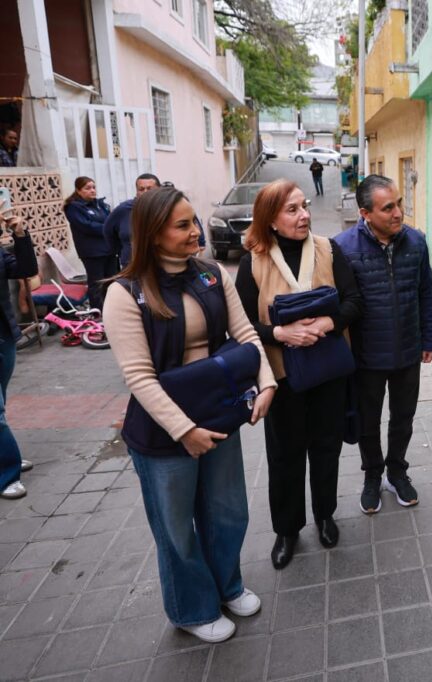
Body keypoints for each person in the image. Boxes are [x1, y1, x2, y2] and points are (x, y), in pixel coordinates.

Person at [104, 186, 277, 642]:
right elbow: (139, 377)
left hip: (218, 417)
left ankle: (227, 586)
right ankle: (193, 610)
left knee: (228, 513)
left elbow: (245, 335)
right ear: (152, 233)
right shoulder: (125, 293)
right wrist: (185, 431)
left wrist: (267, 382)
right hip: (163, 435)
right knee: (177, 529)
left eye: (194, 221)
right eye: (182, 226)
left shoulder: (212, 273)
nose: (195, 231)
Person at [235, 179, 362, 569]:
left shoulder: (328, 249)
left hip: (328, 371)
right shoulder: (253, 262)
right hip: (282, 377)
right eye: (292, 210)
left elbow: (354, 301)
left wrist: (327, 323)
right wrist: (280, 333)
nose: (304, 215)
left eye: (304, 206)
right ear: (270, 220)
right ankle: (287, 530)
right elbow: (240, 324)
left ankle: (325, 515)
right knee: (285, 455)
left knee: (326, 447)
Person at [334, 175, 432, 514]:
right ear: (365, 213)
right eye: (388, 207)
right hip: (365, 356)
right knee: (368, 421)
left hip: (408, 349)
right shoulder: (343, 248)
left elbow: (425, 292)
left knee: (403, 418)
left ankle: (397, 472)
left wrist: (428, 337)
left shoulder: (416, 242)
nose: (398, 213)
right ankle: (372, 476)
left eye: (399, 203)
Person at [0, 212, 38, 500]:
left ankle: (4, 455)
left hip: (4, 336)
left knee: (1, 400)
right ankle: (7, 473)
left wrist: (20, 234)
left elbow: (26, 269)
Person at [63, 177, 116, 311]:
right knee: (97, 284)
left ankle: (113, 310)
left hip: (109, 249)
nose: (92, 190)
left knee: (112, 282)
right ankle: (98, 312)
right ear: (78, 191)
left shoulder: (100, 204)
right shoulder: (73, 207)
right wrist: (108, 228)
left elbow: (111, 220)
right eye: (87, 188)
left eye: (93, 187)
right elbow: (87, 226)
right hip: (92, 252)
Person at [104, 173, 161, 268]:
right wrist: (122, 251)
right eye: (141, 189)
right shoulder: (124, 209)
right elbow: (108, 232)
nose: (145, 192)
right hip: (131, 266)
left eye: (149, 189)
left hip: (161, 265)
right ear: (136, 192)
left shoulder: (168, 209)